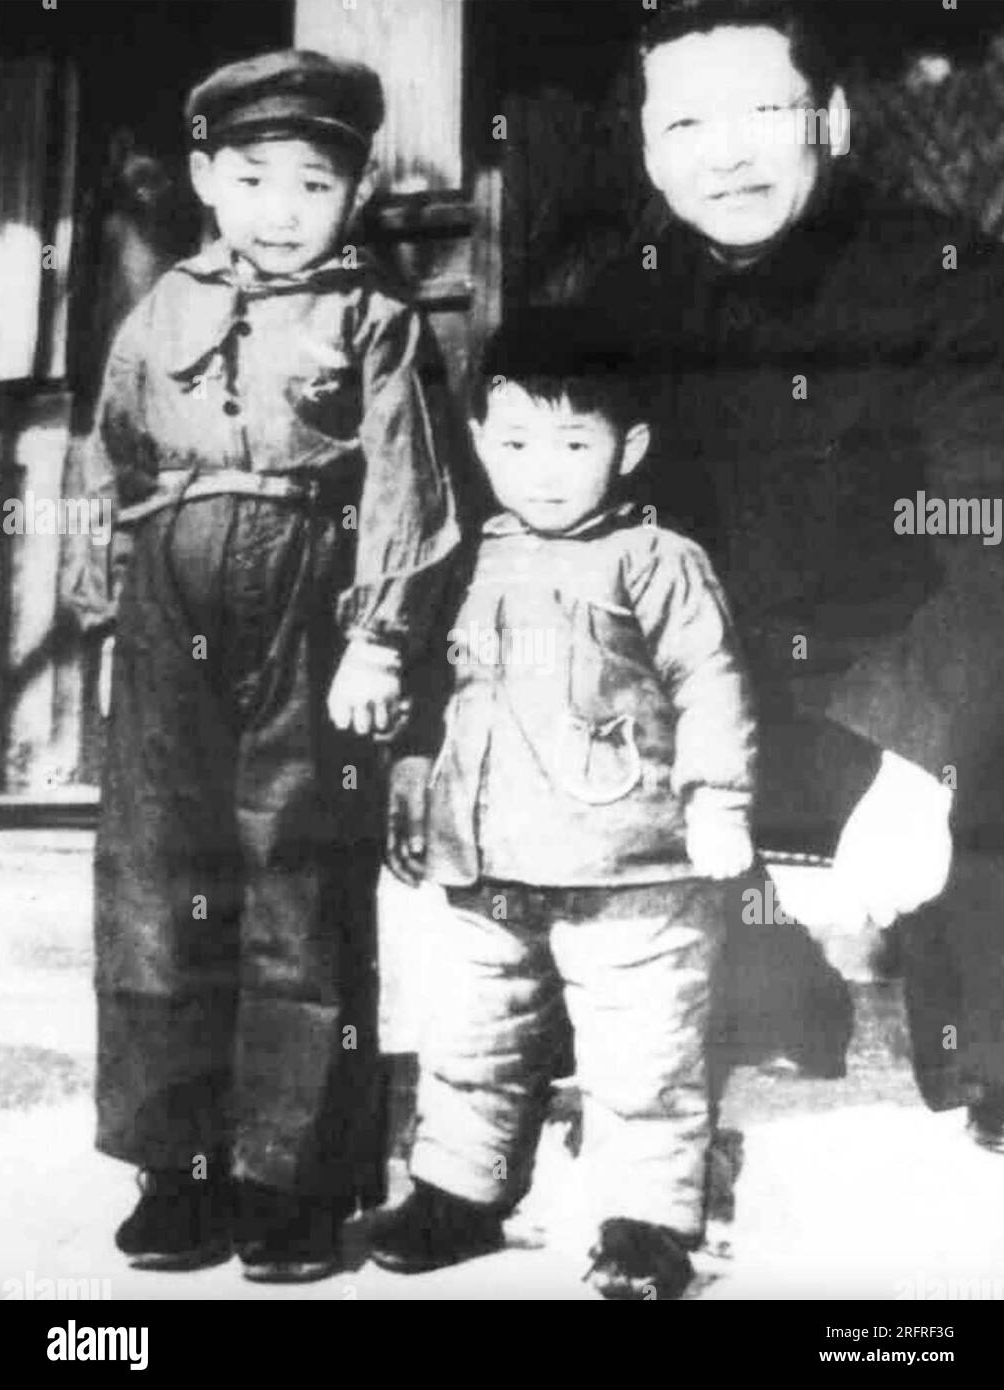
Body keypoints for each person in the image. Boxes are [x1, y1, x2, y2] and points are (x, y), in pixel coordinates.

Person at [59, 49, 459, 1282]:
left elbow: (410, 485)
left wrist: (380, 637)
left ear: (353, 194)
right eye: (254, 178)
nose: (283, 208)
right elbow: (110, 451)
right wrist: (99, 592)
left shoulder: (380, 322)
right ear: (205, 181)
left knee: (299, 883)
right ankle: (176, 1165)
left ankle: (292, 1176)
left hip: (310, 617)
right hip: (166, 615)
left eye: (315, 183)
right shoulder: (159, 306)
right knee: (158, 882)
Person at [587, 0, 1004, 1140]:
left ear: (829, 118)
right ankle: (763, 990)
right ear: (646, 149)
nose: (720, 153)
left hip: (915, 686)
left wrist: (922, 757)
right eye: (683, 125)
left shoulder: (945, 277)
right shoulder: (616, 295)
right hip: (719, 706)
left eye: (758, 113)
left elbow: (991, 535)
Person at [374, 310, 757, 1300]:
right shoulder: (472, 556)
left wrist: (715, 800)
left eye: (572, 442)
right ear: (476, 442)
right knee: (468, 1037)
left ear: (625, 448)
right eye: (513, 442)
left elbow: (708, 680)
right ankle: (458, 1195)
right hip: (486, 862)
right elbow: (440, 687)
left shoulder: (655, 559)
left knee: (642, 1053)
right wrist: (416, 774)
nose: (541, 468)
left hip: (629, 865)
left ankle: (645, 1226)